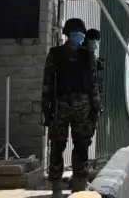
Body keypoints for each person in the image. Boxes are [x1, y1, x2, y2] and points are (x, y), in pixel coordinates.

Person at [43, 18, 101, 196]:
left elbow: (93, 84)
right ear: (68, 33)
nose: (79, 35)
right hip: (60, 105)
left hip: (82, 106)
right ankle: (56, 188)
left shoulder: (87, 56)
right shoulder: (55, 54)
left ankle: (80, 185)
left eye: (80, 32)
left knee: (82, 146)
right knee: (57, 147)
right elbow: (47, 83)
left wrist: (95, 109)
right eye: (75, 32)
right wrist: (47, 110)